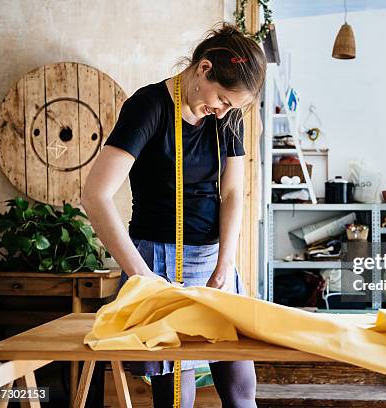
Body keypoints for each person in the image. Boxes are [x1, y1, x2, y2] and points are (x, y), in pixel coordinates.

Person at [81, 22, 267, 408]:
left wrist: (225, 262)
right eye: (221, 99)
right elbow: (95, 194)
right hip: (157, 261)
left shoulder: (227, 117)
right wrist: (142, 277)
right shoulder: (148, 107)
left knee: (241, 391)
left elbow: (232, 191)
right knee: (176, 398)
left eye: (230, 106)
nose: (221, 112)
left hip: (215, 260)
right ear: (203, 70)